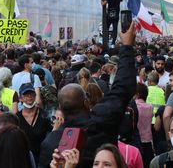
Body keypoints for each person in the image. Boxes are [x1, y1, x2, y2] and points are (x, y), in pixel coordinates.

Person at [39, 22, 137, 167]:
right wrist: (127, 47)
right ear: (86, 102)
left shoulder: (50, 143)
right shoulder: (102, 122)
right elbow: (122, 88)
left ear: (61, 108)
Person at [17, 83, 52, 166]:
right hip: (24, 160)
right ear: (20, 98)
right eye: (25, 94)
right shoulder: (17, 118)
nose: (29, 96)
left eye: (31, 94)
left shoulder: (44, 115)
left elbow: (51, 136)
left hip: (43, 160)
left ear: (35, 95)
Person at [134, 83, 153, 167]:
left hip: (137, 141)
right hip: (148, 141)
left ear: (137, 94)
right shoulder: (150, 107)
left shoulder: (134, 106)